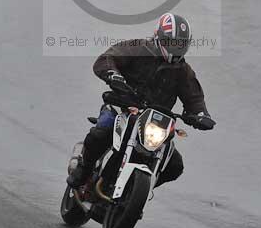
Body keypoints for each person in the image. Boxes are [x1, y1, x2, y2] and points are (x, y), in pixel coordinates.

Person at [67, 12, 216, 189]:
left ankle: (135, 190)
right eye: (172, 42)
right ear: (160, 37)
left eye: (181, 44)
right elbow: (106, 59)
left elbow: (195, 98)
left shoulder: (184, 71)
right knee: (102, 130)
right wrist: (114, 76)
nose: (176, 47)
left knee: (175, 166)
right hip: (122, 106)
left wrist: (200, 115)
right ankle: (83, 172)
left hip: (156, 122)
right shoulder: (137, 48)